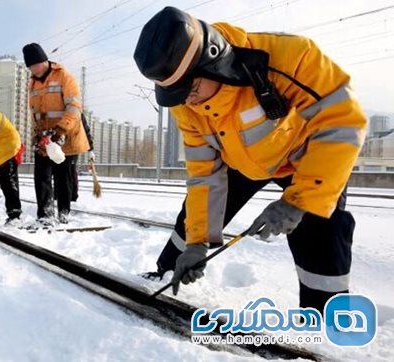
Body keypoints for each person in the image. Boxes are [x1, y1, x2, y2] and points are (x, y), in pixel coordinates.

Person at [133, 7, 367, 312]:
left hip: (303, 157)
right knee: (191, 218)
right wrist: (197, 242)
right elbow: (203, 175)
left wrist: (299, 201)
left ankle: (325, 316)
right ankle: (166, 273)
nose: (186, 101)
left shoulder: (288, 56)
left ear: (213, 62)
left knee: (321, 226)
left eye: (189, 89)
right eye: (175, 95)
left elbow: (343, 120)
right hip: (240, 160)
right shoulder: (185, 106)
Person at [23, 43, 89, 224]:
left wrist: (60, 131)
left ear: (44, 60)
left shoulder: (64, 77)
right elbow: (34, 112)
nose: (33, 70)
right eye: (30, 67)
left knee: (63, 177)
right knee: (41, 176)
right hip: (44, 137)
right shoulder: (32, 83)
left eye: (35, 65)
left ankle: (64, 213)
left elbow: (74, 107)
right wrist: (37, 134)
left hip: (65, 134)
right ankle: (45, 215)